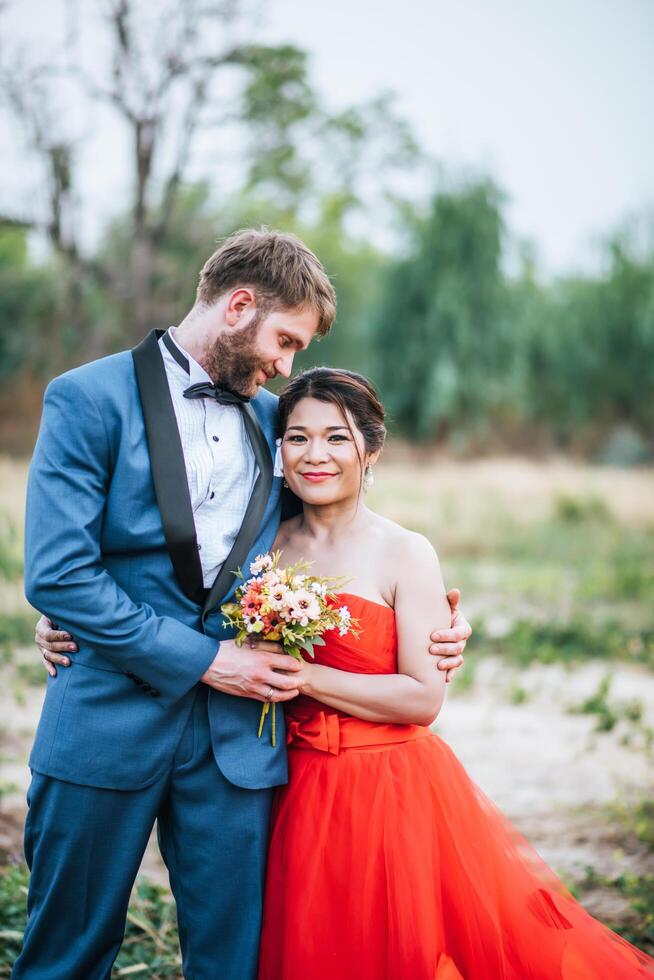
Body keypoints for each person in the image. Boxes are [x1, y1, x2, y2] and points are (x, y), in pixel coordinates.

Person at [19, 228, 470, 980]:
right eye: (285, 340)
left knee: (233, 964)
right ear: (237, 307)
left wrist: (443, 622)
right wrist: (204, 658)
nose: (287, 367)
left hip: (239, 747)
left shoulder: (278, 425)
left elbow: (344, 540)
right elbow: (61, 575)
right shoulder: (86, 398)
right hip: (104, 721)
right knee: (64, 956)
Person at [251, 367, 653, 979]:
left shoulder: (404, 552)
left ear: (372, 448)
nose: (315, 455)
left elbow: (421, 697)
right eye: (297, 437)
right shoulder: (265, 546)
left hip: (387, 789)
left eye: (337, 437)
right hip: (292, 784)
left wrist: (302, 678)